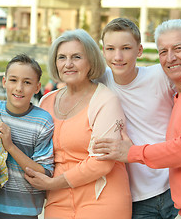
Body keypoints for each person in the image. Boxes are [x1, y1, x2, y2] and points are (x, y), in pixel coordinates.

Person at [95, 19, 181, 218]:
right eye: (163, 51)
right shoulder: (101, 82)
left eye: (126, 48)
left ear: (139, 50)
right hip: (155, 198)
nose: (170, 58)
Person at [25, 29, 132, 219]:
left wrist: (52, 184)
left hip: (102, 198)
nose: (68, 64)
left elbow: (102, 163)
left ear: (90, 60)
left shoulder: (105, 100)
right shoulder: (46, 101)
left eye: (76, 57)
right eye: (62, 57)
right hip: (58, 199)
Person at [0, 54, 54, 219]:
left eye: (27, 82)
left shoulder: (42, 121)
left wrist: (10, 146)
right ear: (4, 82)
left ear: (37, 88)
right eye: (13, 80)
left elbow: (43, 173)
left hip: (24, 210)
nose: (19, 88)